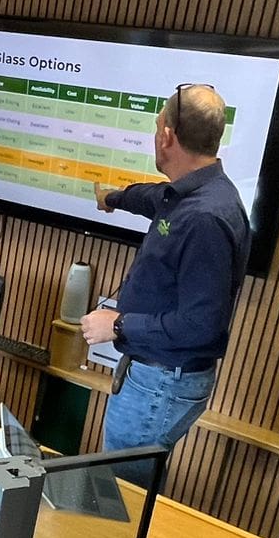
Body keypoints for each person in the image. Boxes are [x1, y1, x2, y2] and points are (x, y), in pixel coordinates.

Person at [81, 83, 251, 481]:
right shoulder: (194, 192)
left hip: (160, 381)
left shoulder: (205, 219)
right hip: (154, 374)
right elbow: (154, 198)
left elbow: (200, 324)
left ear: (167, 136)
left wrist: (118, 324)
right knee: (121, 487)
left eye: (157, 126)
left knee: (121, 492)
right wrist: (114, 198)